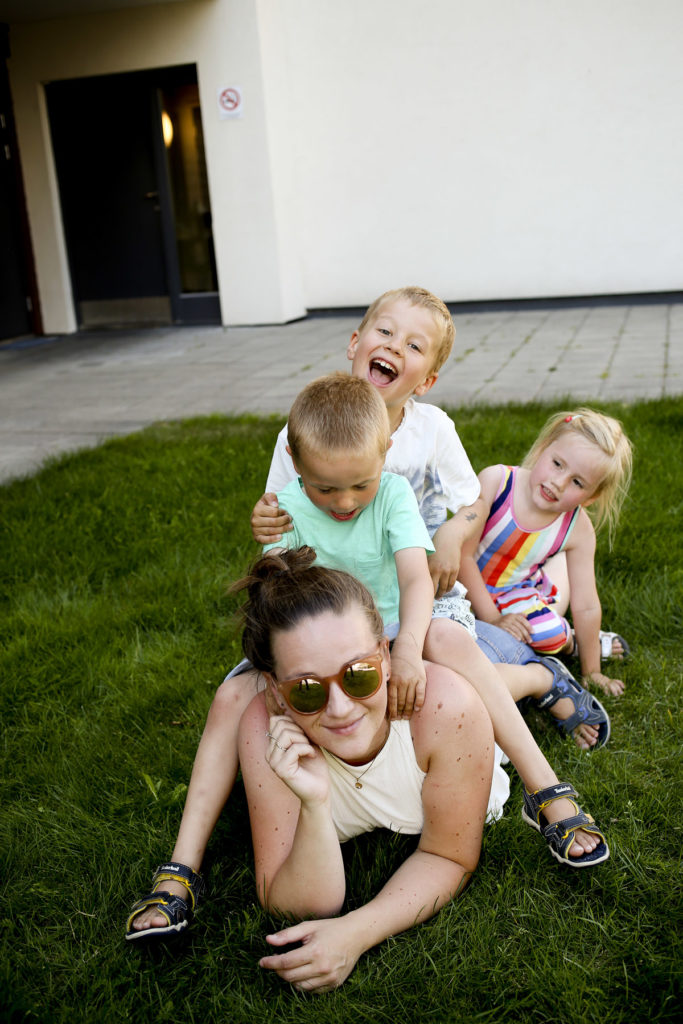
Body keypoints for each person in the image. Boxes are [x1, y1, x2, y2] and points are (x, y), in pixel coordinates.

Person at [125, 288, 607, 943]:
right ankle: (180, 866)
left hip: (406, 610)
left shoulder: (420, 446)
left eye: (414, 346)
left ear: (425, 380)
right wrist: (270, 533)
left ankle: (545, 790)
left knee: (453, 649)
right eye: (384, 332)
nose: (394, 348)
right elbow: (283, 542)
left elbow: (451, 526)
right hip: (322, 619)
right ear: (354, 342)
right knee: (229, 699)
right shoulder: (298, 439)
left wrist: (437, 563)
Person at [236, 547, 505, 991]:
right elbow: (293, 902)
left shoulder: (445, 709)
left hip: (476, 678)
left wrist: (357, 931)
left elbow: (449, 854)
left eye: (358, 674)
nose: (340, 709)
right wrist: (315, 804)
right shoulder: (264, 731)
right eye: (306, 689)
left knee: (499, 679)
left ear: (386, 653)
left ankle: (541, 676)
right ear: (276, 693)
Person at [459, 408, 633, 697]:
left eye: (577, 482)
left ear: (591, 497)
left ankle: (572, 644)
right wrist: (491, 618)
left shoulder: (577, 527)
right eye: (557, 464)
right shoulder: (496, 482)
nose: (559, 482)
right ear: (543, 448)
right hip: (464, 582)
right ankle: (571, 642)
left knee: (547, 633)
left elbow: (587, 604)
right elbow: (463, 556)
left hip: (512, 593)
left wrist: (592, 673)